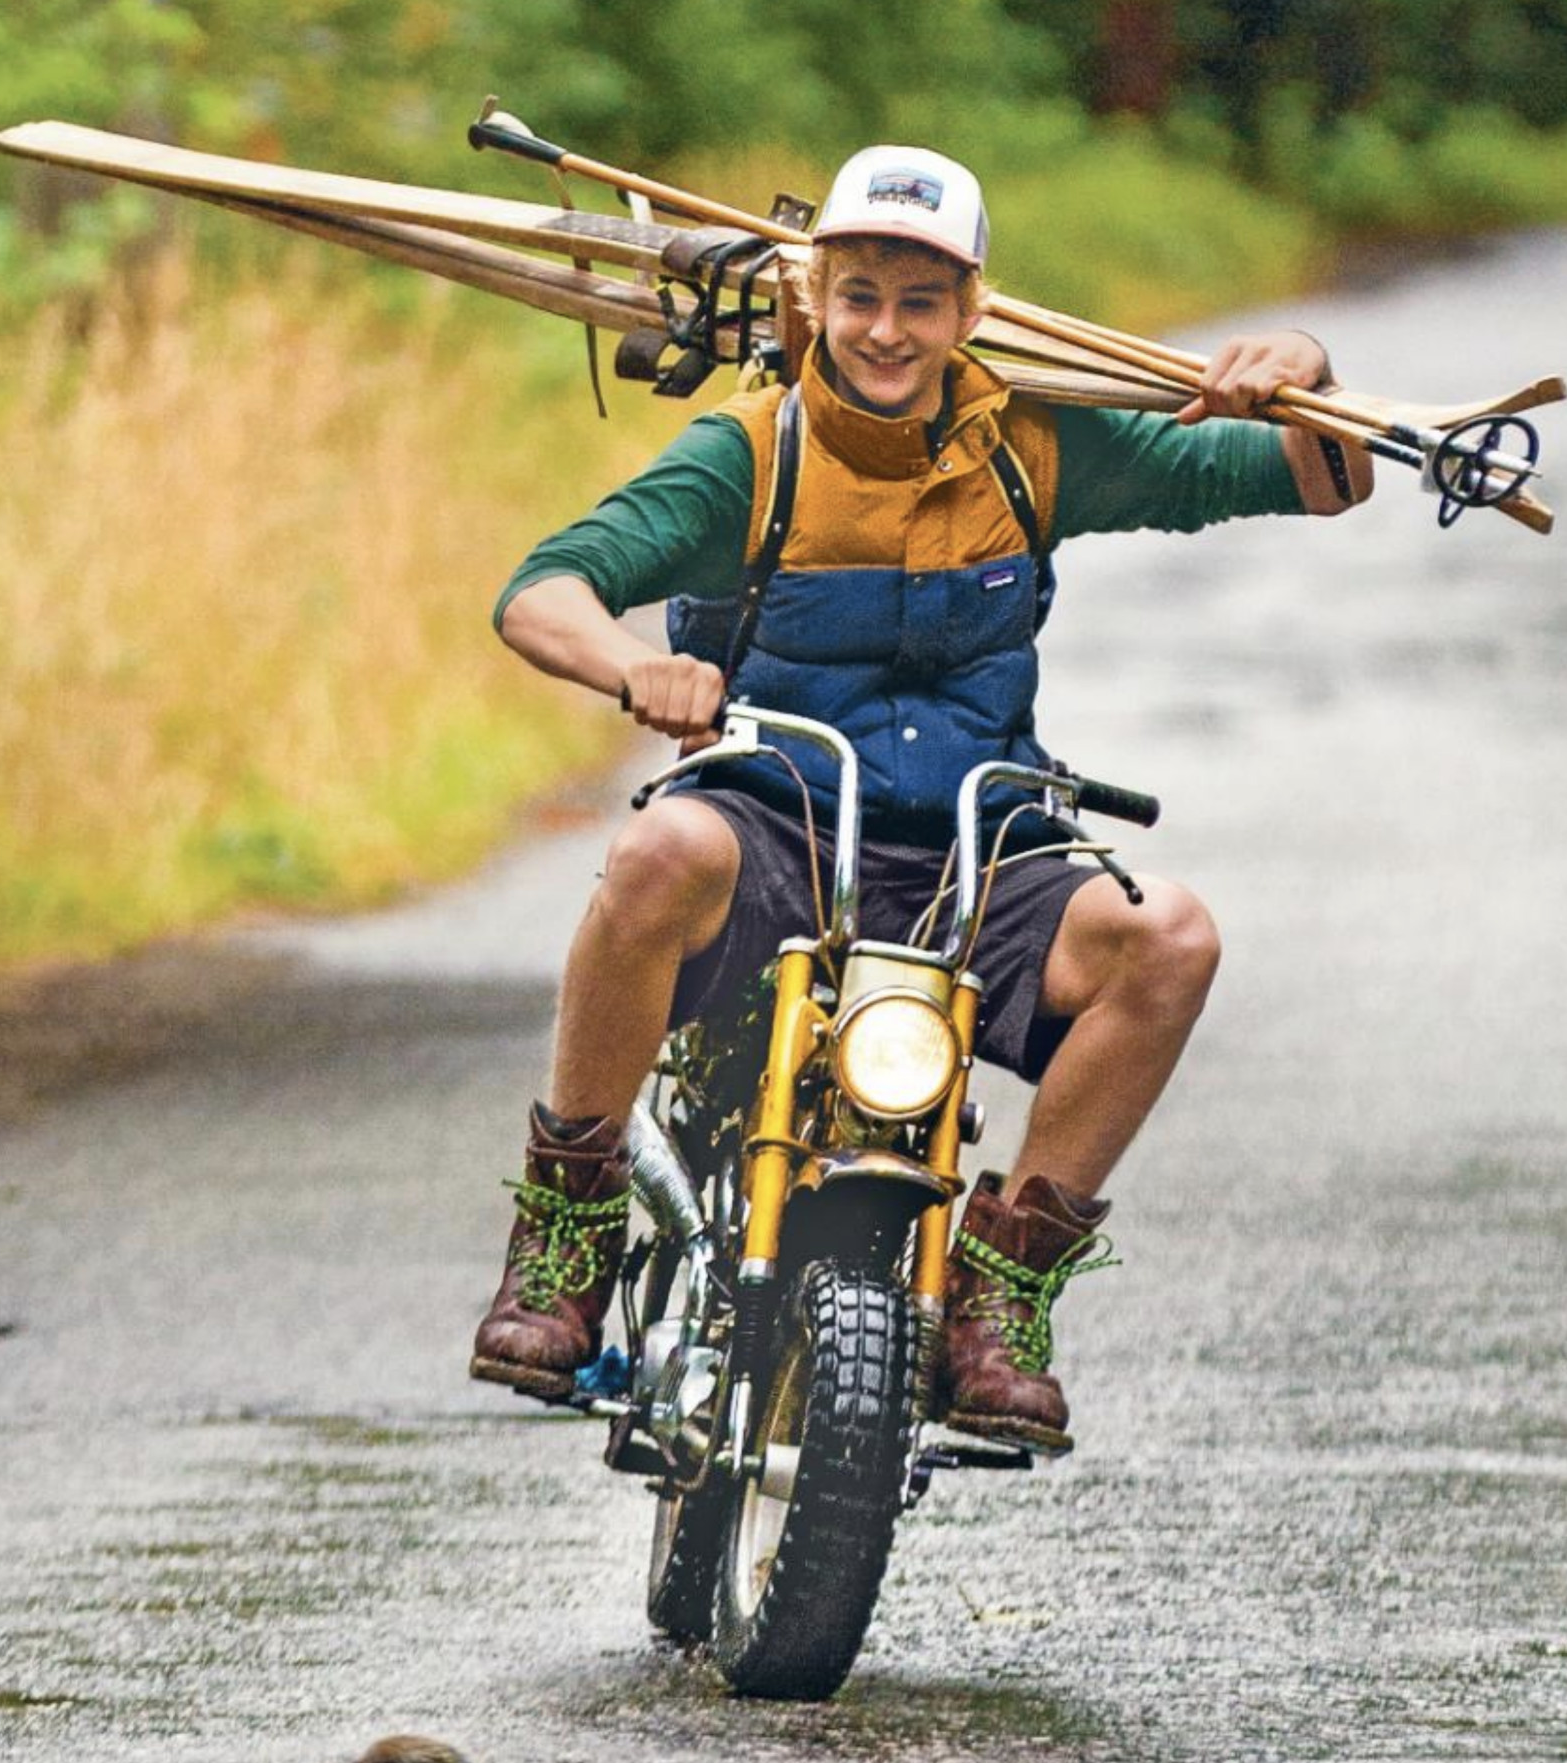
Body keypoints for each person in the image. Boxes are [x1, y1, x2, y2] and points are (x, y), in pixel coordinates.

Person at [468, 144, 1373, 1449]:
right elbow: (542, 592)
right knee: (657, 849)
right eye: (860, 297)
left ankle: (998, 1294)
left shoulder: (1032, 444)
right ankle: (565, 1233)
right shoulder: (751, 453)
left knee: (1167, 937)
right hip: (771, 824)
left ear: (970, 310)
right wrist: (636, 669)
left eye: (919, 300)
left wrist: (1298, 360)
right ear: (815, 299)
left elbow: (1316, 479)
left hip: (975, 848)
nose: (886, 331)